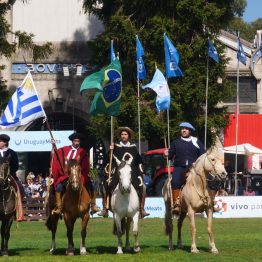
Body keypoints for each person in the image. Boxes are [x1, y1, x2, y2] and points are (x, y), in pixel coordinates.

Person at [98, 127, 150, 218]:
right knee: (105, 185)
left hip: (131, 173)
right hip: (118, 173)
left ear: (128, 136)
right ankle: (105, 208)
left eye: (125, 134)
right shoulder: (115, 147)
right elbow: (108, 160)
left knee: (143, 187)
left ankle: (142, 209)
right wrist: (110, 151)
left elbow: (138, 161)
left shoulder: (133, 148)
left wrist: (141, 171)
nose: (123, 136)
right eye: (122, 134)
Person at [51, 132, 100, 215]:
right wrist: (53, 146)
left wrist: (80, 174)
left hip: (80, 176)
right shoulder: (64, 149)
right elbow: (56, 154)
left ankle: (93, 205)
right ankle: (59, 207)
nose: (76, 143)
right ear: (72, 141)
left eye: (78, 141)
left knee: (92, 186)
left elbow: (85, 165)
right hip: (66, 176)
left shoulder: (82, 152)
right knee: (58, 187)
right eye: (75, 141)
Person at [165, 122, 205, 215]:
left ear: (190, 131)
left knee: (206, 180)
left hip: (194, 168)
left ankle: (209, 202)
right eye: (182, 128)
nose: (184, 130)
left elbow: (203, 155)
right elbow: (170, 156)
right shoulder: (175, 142)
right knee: (175, 181)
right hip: (179, 167)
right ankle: (176, 204)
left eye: (186, 129)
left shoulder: (196, 141)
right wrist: (166, 154)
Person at [0, 134, 24, 220]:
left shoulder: (12, 153)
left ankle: (16, 210)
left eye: (0, 141)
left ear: (5, 142)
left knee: (20, 188)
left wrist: (8, 173)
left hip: (9, 175)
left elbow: (15, 166)